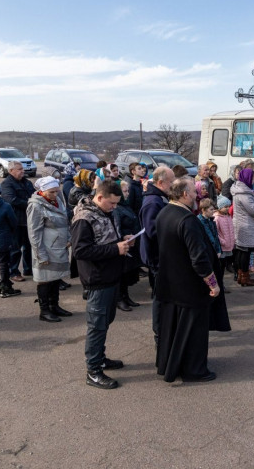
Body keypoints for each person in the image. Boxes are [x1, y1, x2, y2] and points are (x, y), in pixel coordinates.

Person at [156, 178, 221, 382]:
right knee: (194, 331)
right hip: (189, 286)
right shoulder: (187, 220)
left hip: (170, 282)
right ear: (184, 194)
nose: (197, 195)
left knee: (173, 329)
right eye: (194, 192)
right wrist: (212, 283)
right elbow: (199, 258)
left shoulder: (165, 212)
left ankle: (169, 364)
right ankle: (194, 370)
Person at [72, 179, 133, 389]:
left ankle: (100, 357)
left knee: (105, 322)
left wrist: (123, 240)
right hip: (97, 280)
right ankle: (94, 371)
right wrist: (115, 249)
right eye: (112, 203)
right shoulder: (84, 218)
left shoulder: (106, 212)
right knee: (97, 326)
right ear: (99, 197)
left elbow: (107, 238)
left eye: (117, 203)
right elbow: (80, 251)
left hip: (111, 276)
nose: (115, 207)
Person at [27, 176, 72, 323]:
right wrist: (41, 255)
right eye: (52, 192)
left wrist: (69, 238)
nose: (55, 194)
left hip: (58, 247)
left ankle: (55, 306)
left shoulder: (56, 201)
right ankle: (44, 311)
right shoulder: (36, 206)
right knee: (45, 280)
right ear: (42, 191)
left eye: (57, 191)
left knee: (55, 277)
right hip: (45, 249)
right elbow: (34, 233)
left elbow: (65, 222)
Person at [140, 166, 176, 345]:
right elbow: (152, 231)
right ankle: (159, 335)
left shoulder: (160, 198)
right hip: (157, 258)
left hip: (161, 256)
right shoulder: (153, 201)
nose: (173, 185)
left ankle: (164, 332)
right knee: (159, 299)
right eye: (171, 181)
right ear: (160, 182)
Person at [197, 198, 231, 331]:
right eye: (211, 209)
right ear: (204, 210)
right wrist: (215, 249)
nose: (214, 211)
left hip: (215, 252)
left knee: (219, 272)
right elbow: (209, 237)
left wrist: (218, 249)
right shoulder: (200, 221)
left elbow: (215, 235)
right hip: (208, 253)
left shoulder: (210, 220)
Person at [1, 160, 36, 282]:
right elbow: (11, 200)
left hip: (29, 220)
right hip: (15, 221)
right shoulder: (6, 184)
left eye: (22, 169)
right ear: (11, 171)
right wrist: (30, 204)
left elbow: (34, 195)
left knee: (28, 247)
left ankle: (28, 269)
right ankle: (14, 272)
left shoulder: (27, 182)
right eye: (19, 169)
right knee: (15, 248)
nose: (23, 171)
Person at [232, 168, 254, 286]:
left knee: (242, 251)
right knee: (245, 252)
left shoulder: (240, 191)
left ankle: (241, 275)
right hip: (246, 226)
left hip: (242, 224)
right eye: (253, 178)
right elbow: (253, 211)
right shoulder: (244, 194)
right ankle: (245, 277)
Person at [113, 179, 141, 311]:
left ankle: (126, 296)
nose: (128, 193)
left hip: (131, 242)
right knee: (120, 273)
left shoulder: (126, 205)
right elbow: (117, 227)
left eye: (128, 190)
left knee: (126, 272)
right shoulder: (116, 208)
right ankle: (119, 299)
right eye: (125, 191)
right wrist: (124, 236)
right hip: (123, 243)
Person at [214, 195, 236, 276]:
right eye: (225, 207)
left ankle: (229, 267)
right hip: (223, 245)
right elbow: (215, 232)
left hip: (229, 244)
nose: (227, 208)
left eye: (228, 206)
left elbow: (231, 229)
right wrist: (222, 241)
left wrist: (233, 239)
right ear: (220, 207)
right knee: (221, 264)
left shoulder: (228, 216)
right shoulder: (217, 218)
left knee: (229, 259)